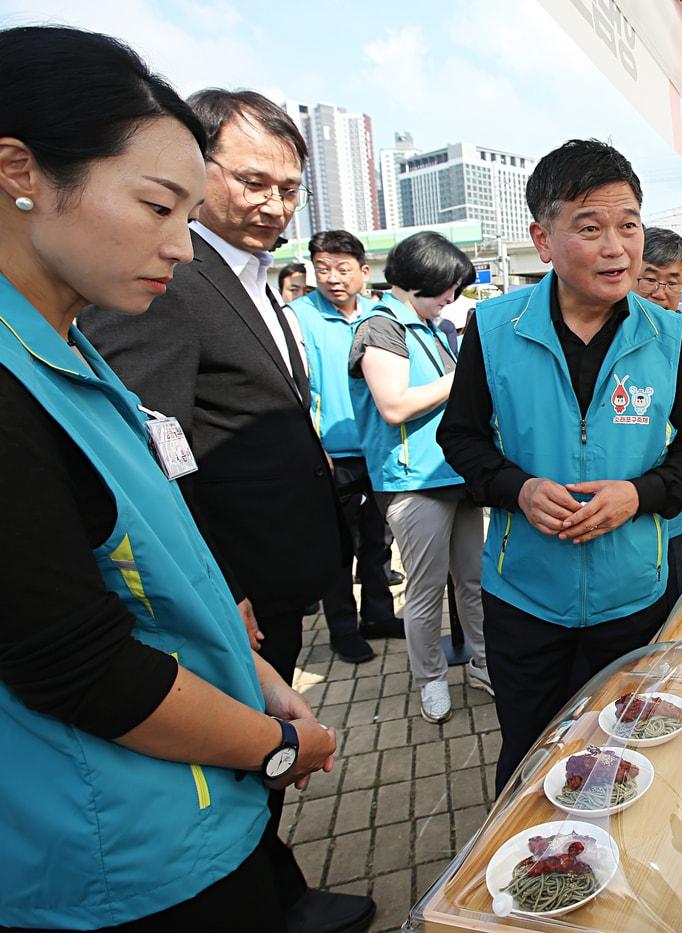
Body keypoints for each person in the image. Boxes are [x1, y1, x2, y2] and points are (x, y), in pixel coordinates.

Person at [0, 26, 338, 931]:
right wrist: (275, 745)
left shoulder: (65, 342)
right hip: (118, 847)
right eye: (157, 208)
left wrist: (236, 642)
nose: (181, 248)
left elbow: (144, 516)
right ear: (19, 170)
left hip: (189, 795)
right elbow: (79, 663)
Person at [79, 90, 370, 933]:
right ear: (190, 165)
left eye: (288, 187)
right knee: (249, 750)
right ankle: (265, 898)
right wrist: (216, 589)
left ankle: (280, 888)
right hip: (228, 588)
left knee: (264, 751)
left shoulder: (248, 278)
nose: (274, 204)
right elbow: (150, 456)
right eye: (251, 180)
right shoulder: (167, 278)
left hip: (267, 572)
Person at [438, 139, 682, 793]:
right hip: (525, 598)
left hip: (635, 598)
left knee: (628, 757)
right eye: (590, 228)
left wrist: (640, 494)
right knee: (532, 760)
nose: (618, 247)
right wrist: (518, 488)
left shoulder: (668, 335)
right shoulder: (494, 328)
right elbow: (462, 439)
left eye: (629, 225)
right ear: (543, 238)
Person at [348, 231, 489, 723]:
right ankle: (430, 679)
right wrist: (463, 377)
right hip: (414, 483)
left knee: (473, 580)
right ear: (416, 282)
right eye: (447, 288)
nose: (453, 298)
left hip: (456, 477)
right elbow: (394, 406)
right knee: (426, 592)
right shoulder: (381, 327)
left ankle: (482, 661)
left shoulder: (430, 327)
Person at [290, 230, 403, 664]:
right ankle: (342, 629)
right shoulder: (298, 316)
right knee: (338, 546)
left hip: (378, 450)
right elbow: (295, 389)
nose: (333, 278)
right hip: (330, 454)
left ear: (363, 271)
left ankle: (378, 613)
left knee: (379, 539)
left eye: (342, 269)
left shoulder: (379, 316)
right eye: (322, 269)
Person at [635, 226, 682, 608]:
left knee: (666, 608)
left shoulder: (681, 341)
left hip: (665, 508)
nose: (660, 292)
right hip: (610, 509)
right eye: (650, 279)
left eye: (672, 282)